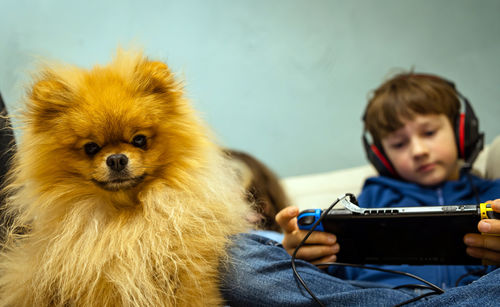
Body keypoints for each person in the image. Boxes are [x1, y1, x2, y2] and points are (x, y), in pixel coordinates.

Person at [221, 73, 500, 306]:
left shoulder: (495, 194)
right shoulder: (368, 200)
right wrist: (303, 258)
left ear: (462, 130)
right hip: (376, 298)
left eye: (429, 133)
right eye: (399, 144)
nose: (418, 151)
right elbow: (337, 276)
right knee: (235, 253)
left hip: (476, 293)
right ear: (381, 156)